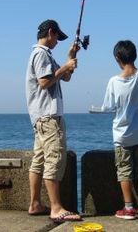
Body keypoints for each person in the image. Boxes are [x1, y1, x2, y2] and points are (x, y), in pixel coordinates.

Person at [25, 19, 82, 222]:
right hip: (49, 117)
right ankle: (56, 208)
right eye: (58, 36)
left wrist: (70, 57)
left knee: (38, 160)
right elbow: (45, 82)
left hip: (40, 118)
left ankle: (34, 203)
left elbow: (64, 77)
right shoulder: (41, 54)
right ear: (50, 32)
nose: (58, 41)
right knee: (54, 159)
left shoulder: (45, 55)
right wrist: (65, 65)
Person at [101, 40, 138, 220]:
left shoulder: (113, 81)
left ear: (117, 58)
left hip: (121, 134)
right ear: (135, 55)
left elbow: (108, 107)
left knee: (124, 170)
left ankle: (128, 208)